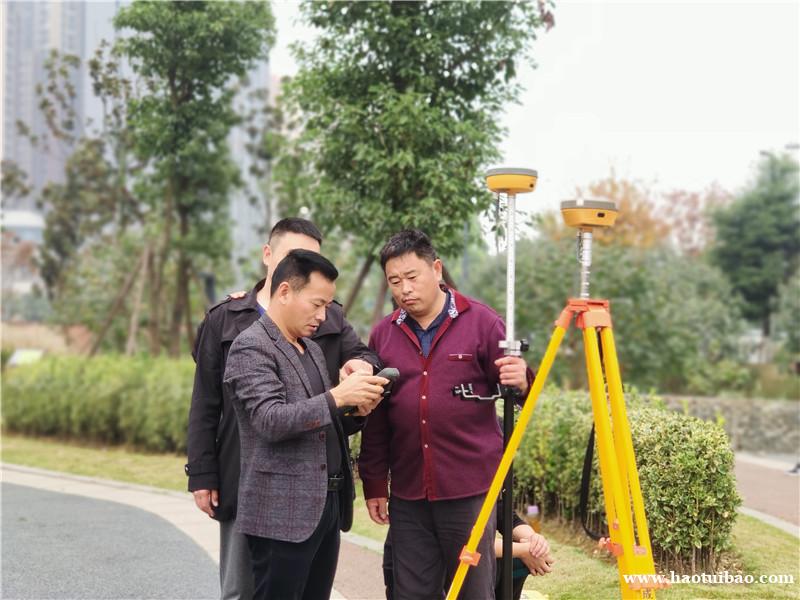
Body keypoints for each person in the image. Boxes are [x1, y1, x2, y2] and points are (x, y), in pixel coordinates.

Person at [185, 218, 380, 600]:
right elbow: (252, 414)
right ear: (273, 263)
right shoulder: (239, 331)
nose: (322, 314)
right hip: (268, 497)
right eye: (317, 304)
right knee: (241, 589)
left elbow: (328, 411)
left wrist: (357, 406)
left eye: (326, 305)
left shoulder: (313, 342)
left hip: (322, 501)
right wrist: (202, 473)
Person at [359, 229, 534, 599]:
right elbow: (377, 420)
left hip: (469, 491)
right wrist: (374, 482)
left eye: (412, 276)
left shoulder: (483, 323)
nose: (404, 289)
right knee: (411, 592)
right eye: (394, 281)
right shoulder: (383, 335)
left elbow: (520, 394)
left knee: (472, 590)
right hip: (409, 494)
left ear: (436, 269)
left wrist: (522, 380)